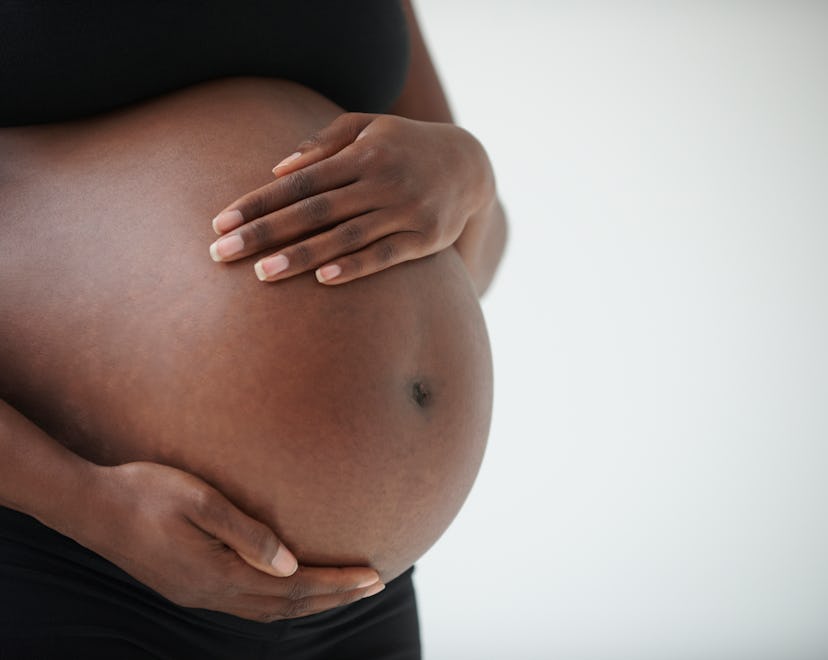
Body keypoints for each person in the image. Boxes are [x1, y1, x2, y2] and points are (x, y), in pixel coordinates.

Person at [0, 1, 507, 658]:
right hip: (71, 558)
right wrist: (88, 505)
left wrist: (472, 178)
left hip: (362, 600)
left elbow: (478, 257)